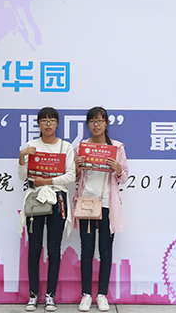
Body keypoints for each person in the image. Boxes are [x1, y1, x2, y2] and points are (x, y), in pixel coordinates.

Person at [18, 107, 75, 312]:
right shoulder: (31, 146)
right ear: (39, 124)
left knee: (54, 249)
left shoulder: (65, 146)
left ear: (57, 124)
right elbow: (23, 176)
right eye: (44, 120)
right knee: (34, 248)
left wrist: (47, 181)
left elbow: (71, 176)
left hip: (57, 199)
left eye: (52, 120)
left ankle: (50, 295)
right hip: (35, 199)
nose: (48, 124)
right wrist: (22, 156)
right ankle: (33, 295)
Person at [73, 107, 129, 312]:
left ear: (106, 123)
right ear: (88, 124)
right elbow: (74, 177)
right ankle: (86, 295)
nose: (96, 125)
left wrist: (117, 169)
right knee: (87, 250)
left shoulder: (116, 147)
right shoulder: (82, 147)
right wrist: (77, 166)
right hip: (87, 202)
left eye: (99, 121)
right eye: (92, 121)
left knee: (105, 250)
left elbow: (124, 177)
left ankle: (102, 295)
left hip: (107, 203)